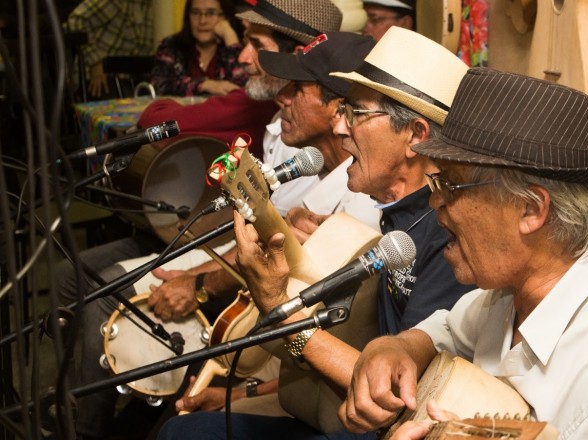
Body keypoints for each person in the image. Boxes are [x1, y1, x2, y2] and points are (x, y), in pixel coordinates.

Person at [339, 68, 588, 439]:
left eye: (452, 186)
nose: (435, 203)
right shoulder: (529, 281)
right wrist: (395, 349)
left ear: (532, 210)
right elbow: (450, 328)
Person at [157, 25, 474, 440]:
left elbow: (396, 394)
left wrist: (275, 303)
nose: (342, 129)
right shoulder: (397, 215)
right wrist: (257, 388)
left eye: (357, 113)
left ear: (415, 135)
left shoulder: (445, 232)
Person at [50, 2, 344, 439]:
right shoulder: (282, 121)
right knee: (68, 274)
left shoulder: (329, 156)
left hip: (241, 273)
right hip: (223, 244)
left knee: (101, 294)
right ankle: (79, 412)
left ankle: (87, 429)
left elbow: (275, 242)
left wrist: (200, 281)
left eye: (255, 45)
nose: (243, 57)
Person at [150, 0, 247, 96]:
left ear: (225, 16)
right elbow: (159, 86)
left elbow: (244, 91)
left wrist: (229, 36)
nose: (202, 21)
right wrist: (205, 85)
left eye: (211, 13)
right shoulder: (170, 46)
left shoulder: (243, 47)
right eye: (196, 13)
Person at [63, 0, 155, 99]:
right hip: (99, 74)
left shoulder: (154, 7)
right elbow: (76, 19)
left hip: (131, 76)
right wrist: (96, 61)